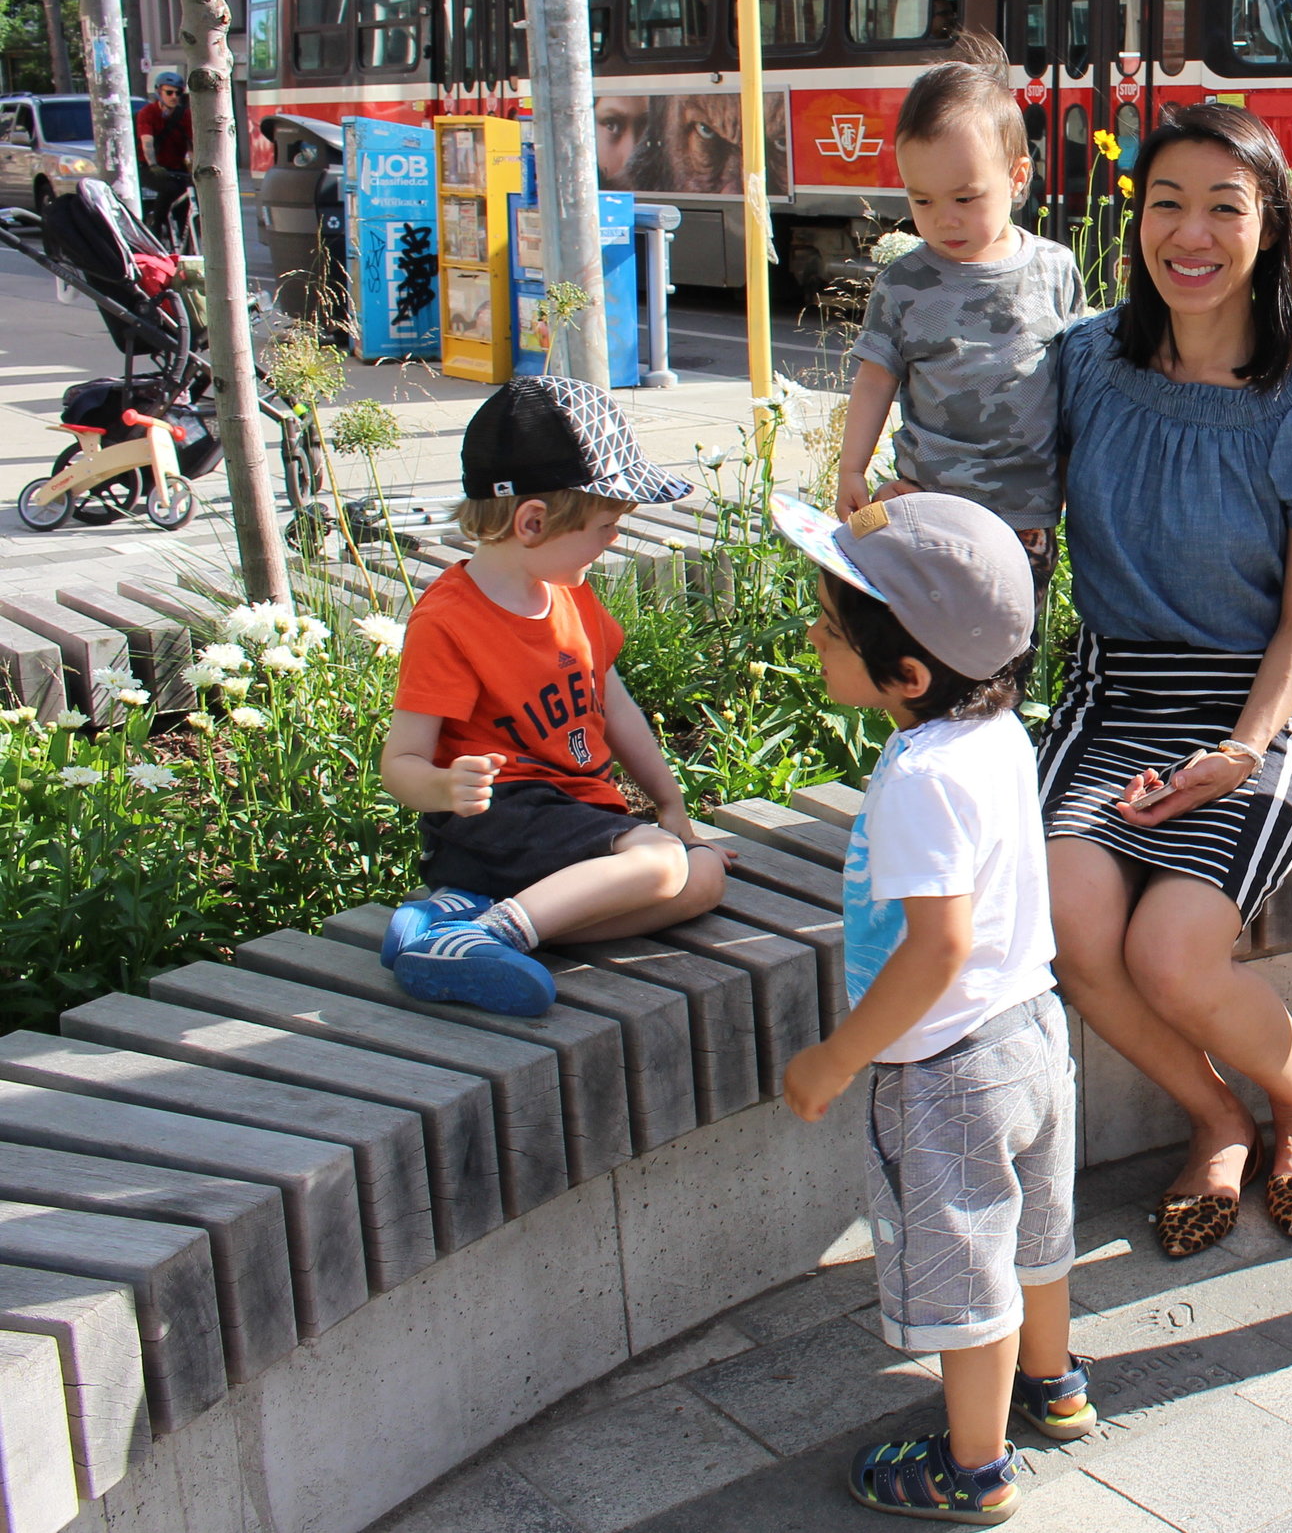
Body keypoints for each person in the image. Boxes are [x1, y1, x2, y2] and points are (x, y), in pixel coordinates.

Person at [1042, 100, 1292, 1256]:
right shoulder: (1083, 364)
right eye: (1166, 203)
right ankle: (1215, 1116)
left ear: (1270, 228)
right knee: (1073, 924)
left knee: (1170, 954)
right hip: (1114, 699)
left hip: (1245, 712)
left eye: (1224, 207)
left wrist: (1239, 747)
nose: (1192, 233)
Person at [775, 491, 1089, 1525]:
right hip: (1033, 1031)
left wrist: (835, 1058)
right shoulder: (996, 731)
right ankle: (1054, 1384)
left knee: (964, 1269)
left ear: (906, 676)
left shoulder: (917, 774)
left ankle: (974, 1464)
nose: (814, 637)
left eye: (829, 626)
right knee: (1035, 1232)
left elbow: (936, 946)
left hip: (946, 1064)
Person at [377, 377, 730, 1015]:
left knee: (699, 875)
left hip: (563, 824)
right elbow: (399, 761)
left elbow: (615, 708)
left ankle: (468, 925)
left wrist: (672, 806)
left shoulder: (573, 595)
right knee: (659, 864)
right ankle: (483, 935)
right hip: (499, 818)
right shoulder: (449, 620)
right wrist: (442, 787)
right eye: (604, 525)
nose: (614, 540)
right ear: (533, 523)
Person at [838, 35, 1087, 605]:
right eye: (921, 201)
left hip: (1023, 512)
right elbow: (875, 378)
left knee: (1008, 642)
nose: (943, 220)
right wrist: (853, 469)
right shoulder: (904, 284)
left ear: (1018, 178)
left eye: (966, 198)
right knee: (929, 638)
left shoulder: (1053, 268)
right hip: (927, 505)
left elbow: (1074, 384)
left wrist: (1075, 479)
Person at [135, 69, 191, 232]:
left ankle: (186, 244)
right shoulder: (148, 113)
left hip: (177, 168)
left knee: (188, 198)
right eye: (169, 92)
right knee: (169, 189)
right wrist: (153, 165)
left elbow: (192, 143)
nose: (174, 97)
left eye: (178, 93)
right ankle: (155, 227)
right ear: (159, 92)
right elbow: (147, 141)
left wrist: (195, 167)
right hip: (151, 168)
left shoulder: (185, 115)